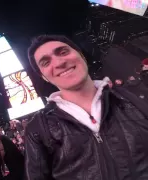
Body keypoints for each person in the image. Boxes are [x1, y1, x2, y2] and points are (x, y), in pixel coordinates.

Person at [25, 35, 148, 180]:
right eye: (46, 62)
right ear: (43, 76)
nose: (59, 63)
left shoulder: (131, 98)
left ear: (82, 55)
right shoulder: (38, 128)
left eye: (63, 52)